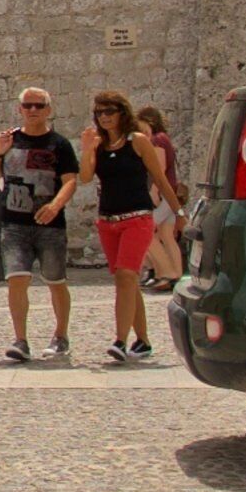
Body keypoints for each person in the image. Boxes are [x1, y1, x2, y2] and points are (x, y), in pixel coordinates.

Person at [83, 90, 180, 364]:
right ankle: (144, 341)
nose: (104, 117)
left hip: (137, 218)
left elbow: (160, 179)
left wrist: (179, 212)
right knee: (126, 282)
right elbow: (86, 176)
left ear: (122, 113)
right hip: (108, 220)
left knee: (127, 276)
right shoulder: (99, 145)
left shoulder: (137, 141)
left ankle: (120, 339)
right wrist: (88, 148)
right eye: (99, 112)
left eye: (109, 111)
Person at [0, 88, 82, 362]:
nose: (32, 110)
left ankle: (61, 335)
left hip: (49, 224)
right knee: (17, 280)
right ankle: (20, 340)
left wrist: (55, 205)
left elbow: (70, 180)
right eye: (27, 105)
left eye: (38, 105)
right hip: (14, 223)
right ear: (20, 109)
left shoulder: (60, 144)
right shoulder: (9, 140)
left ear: (48, 109)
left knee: (56, 281)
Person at [138, 104, 187, 292]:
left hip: (163, 195)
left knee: (146, 233)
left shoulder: (157, 140)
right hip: (171, 194)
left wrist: (154, 193)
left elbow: (158, 169)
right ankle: (175, 274)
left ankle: (166, 273)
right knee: (167, 235)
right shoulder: (164, 138)